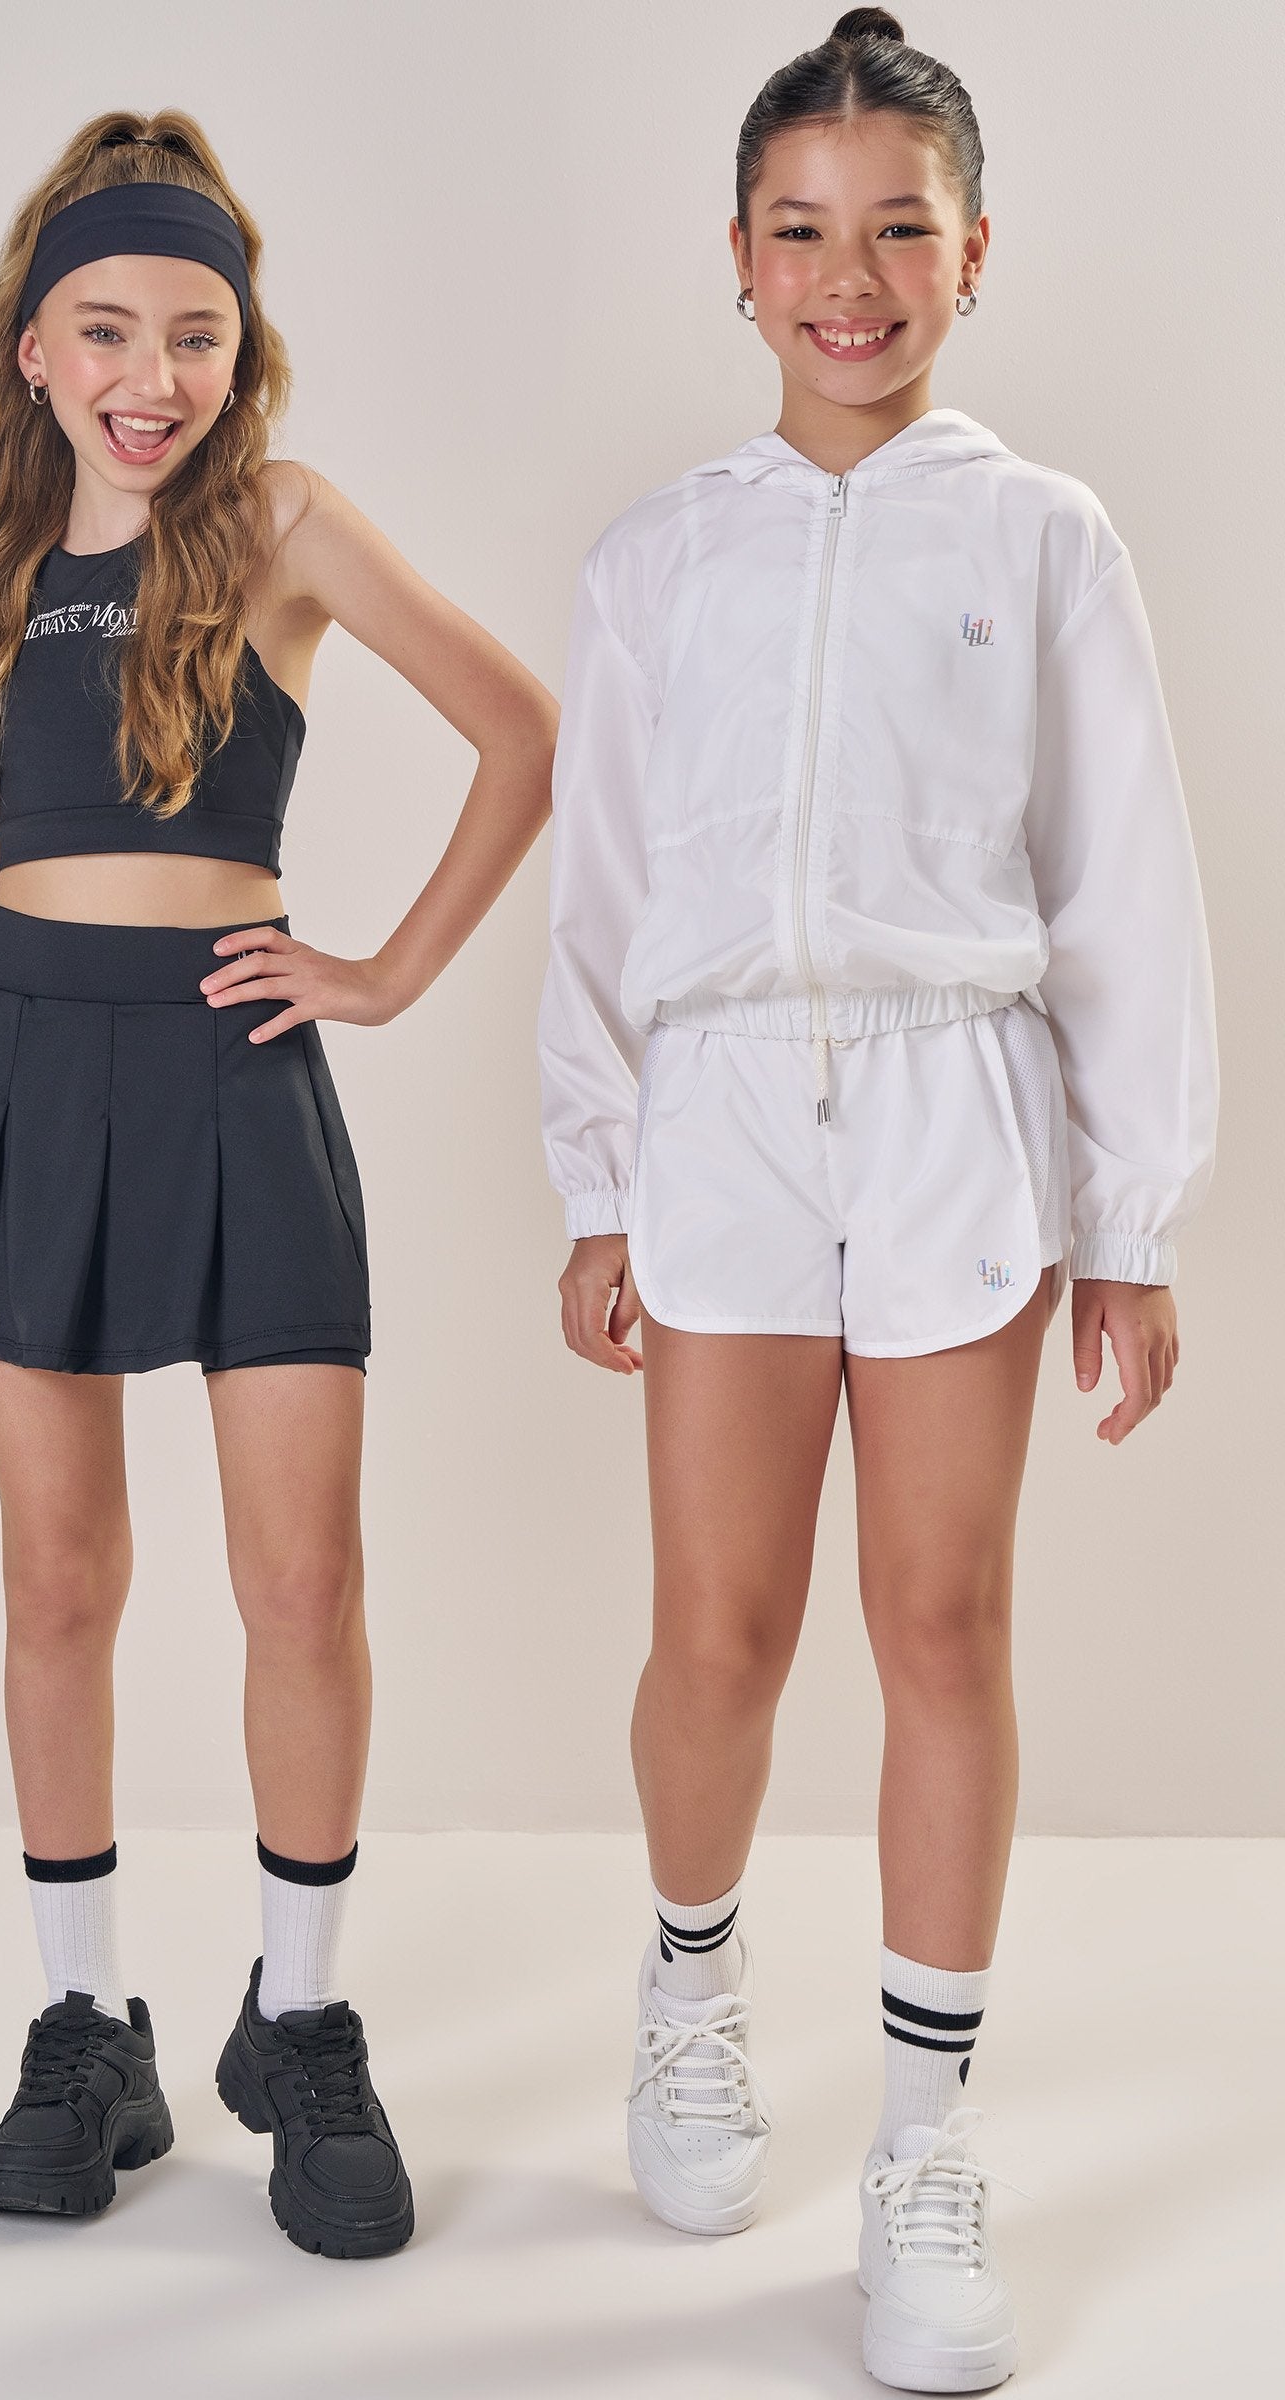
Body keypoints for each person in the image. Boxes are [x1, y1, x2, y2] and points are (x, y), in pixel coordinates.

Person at [537, 9, 1217, 2388]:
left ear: (971, 253)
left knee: (939, 1623)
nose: (849, 278)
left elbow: (1120, 879)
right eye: (801, 231)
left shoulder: (1037, 536)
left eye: (895, 231)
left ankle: (924, 2147)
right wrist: (596, 1169)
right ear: (735, 257)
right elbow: (601, 882)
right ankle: (688, 1986)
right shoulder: (659, 554)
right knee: (716, 1633)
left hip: (956, 1116)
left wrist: (1127, 1211)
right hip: (721, 1112)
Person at [0, 110, 556, 2258]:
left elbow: (524, 733)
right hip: (23, 1084)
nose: (149, 375)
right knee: (58, 1581)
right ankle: (87, 2033)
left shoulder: (281, 523)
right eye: (104, 330)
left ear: (240, 354)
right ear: (33, 350)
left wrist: (383, 973)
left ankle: (301, 2021)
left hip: (238, 1082)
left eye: (193, 334)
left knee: (301, 1582)